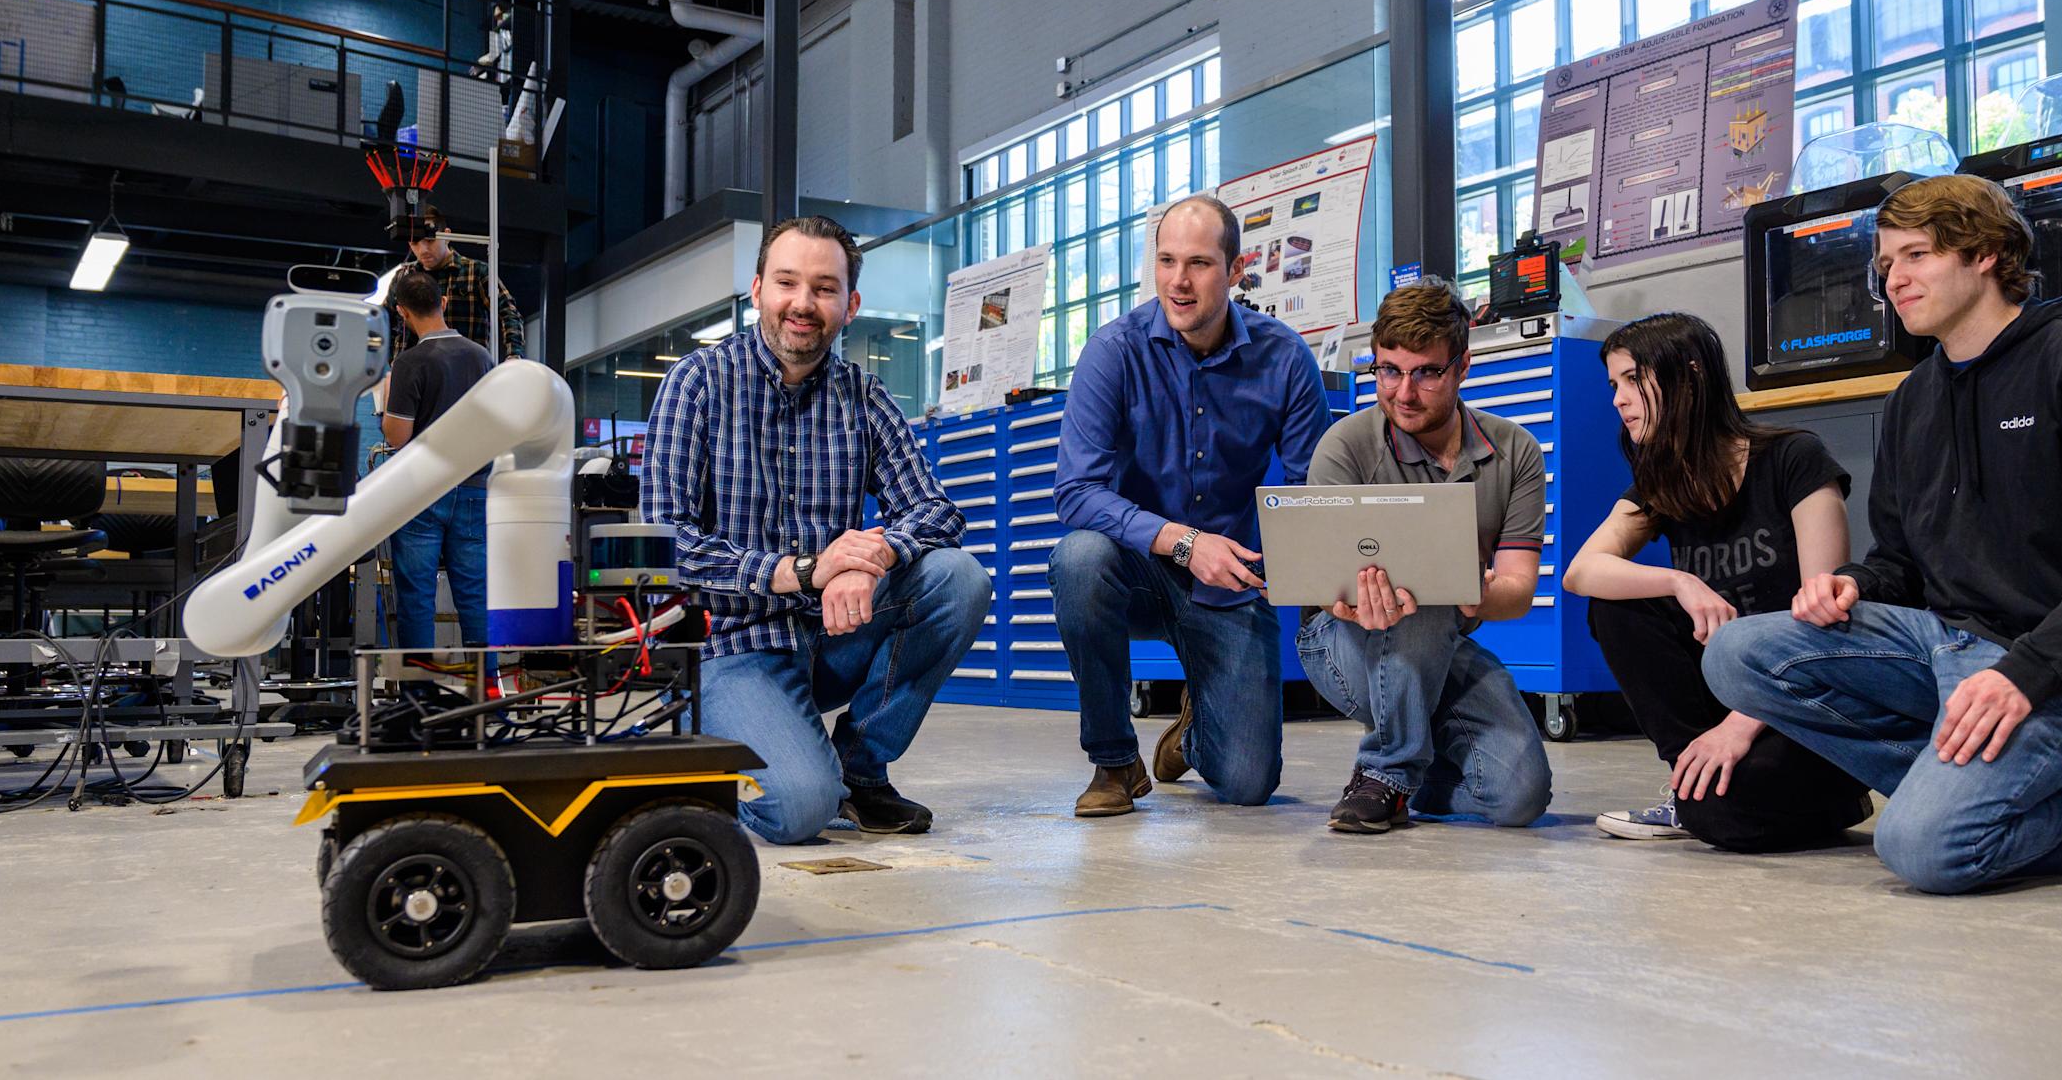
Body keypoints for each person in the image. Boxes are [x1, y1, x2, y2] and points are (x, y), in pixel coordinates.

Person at [1703, 175, 2062, 894]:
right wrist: (1852, 586)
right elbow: (1900, 561)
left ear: (1989, 254)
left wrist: (2024, 676)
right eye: (1884, 266)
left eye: (1916, 256)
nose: (1894, 282)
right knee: (1735, 654)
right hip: (1945, 648)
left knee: (1922, 851)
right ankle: (2024, 788)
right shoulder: (1912, 400)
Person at [643, 215, 989, 845]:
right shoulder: (697, 384)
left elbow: (937, 512)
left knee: (956, 579)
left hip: (832, 635)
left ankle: (859, 771)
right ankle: (721, 756)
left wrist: (871, 555)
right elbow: (668, 548)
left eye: (825, 288)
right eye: (787, 283)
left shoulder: (863, 395)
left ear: (850, 305)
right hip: (736, 650)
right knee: (799, 811)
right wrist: (803, 570)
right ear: (757, 290)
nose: (803, 304)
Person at [1052, 193, 1330, 817]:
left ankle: (1197, 724)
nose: (1179, 282)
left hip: (1230, 581)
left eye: (1200, 264)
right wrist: (1182, 540)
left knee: (1248, 783)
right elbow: (1075, 491)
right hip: (1138, 571)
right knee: (1078, 560)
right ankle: (1115, 761)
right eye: (1167, 261)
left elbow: (1316, 487)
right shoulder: (1113, 352)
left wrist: (1314, 572)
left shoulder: (1285, 359)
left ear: (1236, 270)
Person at [1563, 312, 1872, 850]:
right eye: (1613, 385)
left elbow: (1824, 624)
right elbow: (1581, 572)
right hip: (1725, 704)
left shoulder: (1793, 458)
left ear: (1689, 377)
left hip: (1803, 703)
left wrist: (1741, 726)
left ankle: (1818, 793)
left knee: (1724, 820)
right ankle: (1689, 781)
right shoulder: (1663, 484)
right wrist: (1680, 582)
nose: (1618, 399)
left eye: (1634, 379)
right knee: (1616, 604)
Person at [1296, 278, 1553, 834]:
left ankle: (1407, 776)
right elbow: (1323, 586)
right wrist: (1351, 602)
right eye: (1388, 370)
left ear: (1462, 367)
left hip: (1442, 639)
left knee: (1519, 798)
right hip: (1339, 640)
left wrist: (1465, 584)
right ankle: (1386, 772)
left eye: (1426, 373)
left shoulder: (1515, 452)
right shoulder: (1344, 445)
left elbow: (1517, 591)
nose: (1403, 393)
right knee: (1424, 588)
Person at [379, 270, 495, 653]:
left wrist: (385, 407)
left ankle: (419, 695)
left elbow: (398, 436)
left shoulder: (409, 363)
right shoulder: (483, 359)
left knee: (417, 597)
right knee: (475, 594)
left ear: (402, 312)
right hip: (475, 488)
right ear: (443, 302)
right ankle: (488, 690)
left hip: (422, 492)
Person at [383, 205, 525, 362]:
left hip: (465, 371)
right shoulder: (403, 277)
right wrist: (389, 363)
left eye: (430, 240)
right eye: (415, 242)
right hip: (413, 372)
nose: (423, 249)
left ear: (447, 235)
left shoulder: (476, 272)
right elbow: (384, 320)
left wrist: (514, 355)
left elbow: (508, 310)